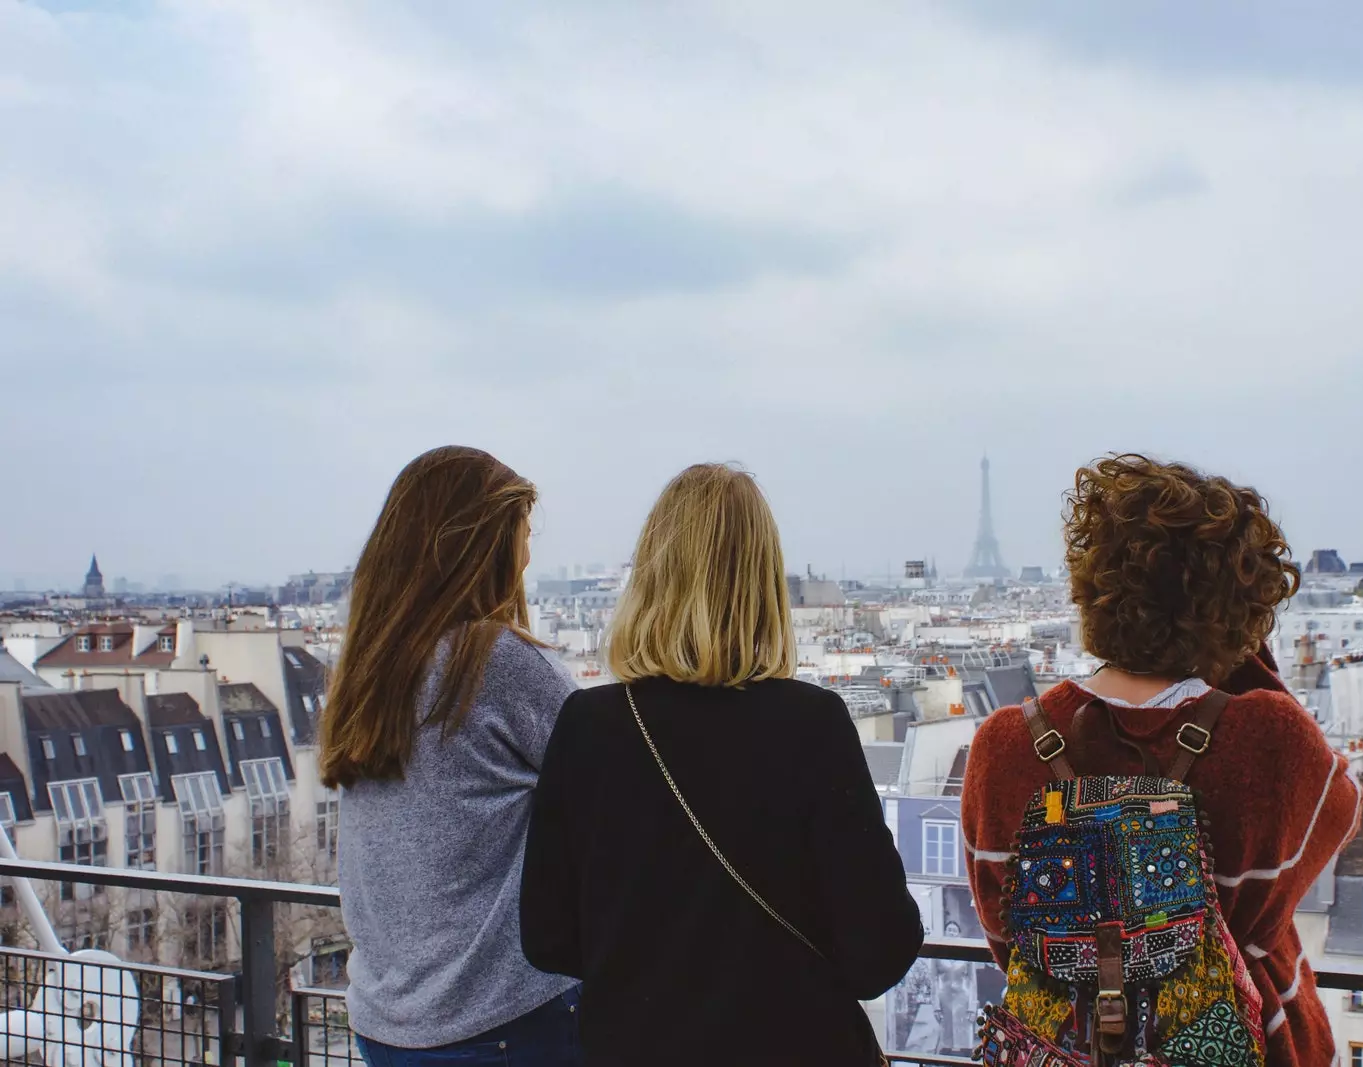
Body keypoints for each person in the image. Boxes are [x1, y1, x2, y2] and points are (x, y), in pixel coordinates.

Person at [962, 454, 1363, 1067]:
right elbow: (1341, 812)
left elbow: (1006, 938)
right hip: (1247, 1043)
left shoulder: (1004, 744)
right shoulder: (1269, 737)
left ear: (1092, 586)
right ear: (1242, 609)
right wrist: (1246, 666)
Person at [520, 462, 924, 1067]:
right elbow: (880, 952)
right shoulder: (812, 726)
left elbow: (548, 937)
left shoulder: (588, 725)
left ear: (650, 575)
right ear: (763, 583)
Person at [321, 445, 581, 1067]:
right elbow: (616, 788)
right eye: (518, 539)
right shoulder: (496, 664)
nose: (523, 560)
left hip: (388, 1021)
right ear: (481, 549)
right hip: (500, 1021)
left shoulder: (370, 668)